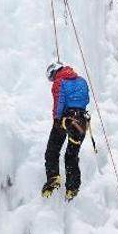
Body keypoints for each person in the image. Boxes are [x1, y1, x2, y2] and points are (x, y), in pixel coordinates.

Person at [42, 62, 90, 201]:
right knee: (71, 155)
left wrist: (56, 120)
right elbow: (86, 100)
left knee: (52, 150)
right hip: (81, 122)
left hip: (66, 120)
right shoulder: (82, 81)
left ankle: (53, 178)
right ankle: (72, 187)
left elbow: (59, 102)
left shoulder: (59, 81)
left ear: (54, 72)